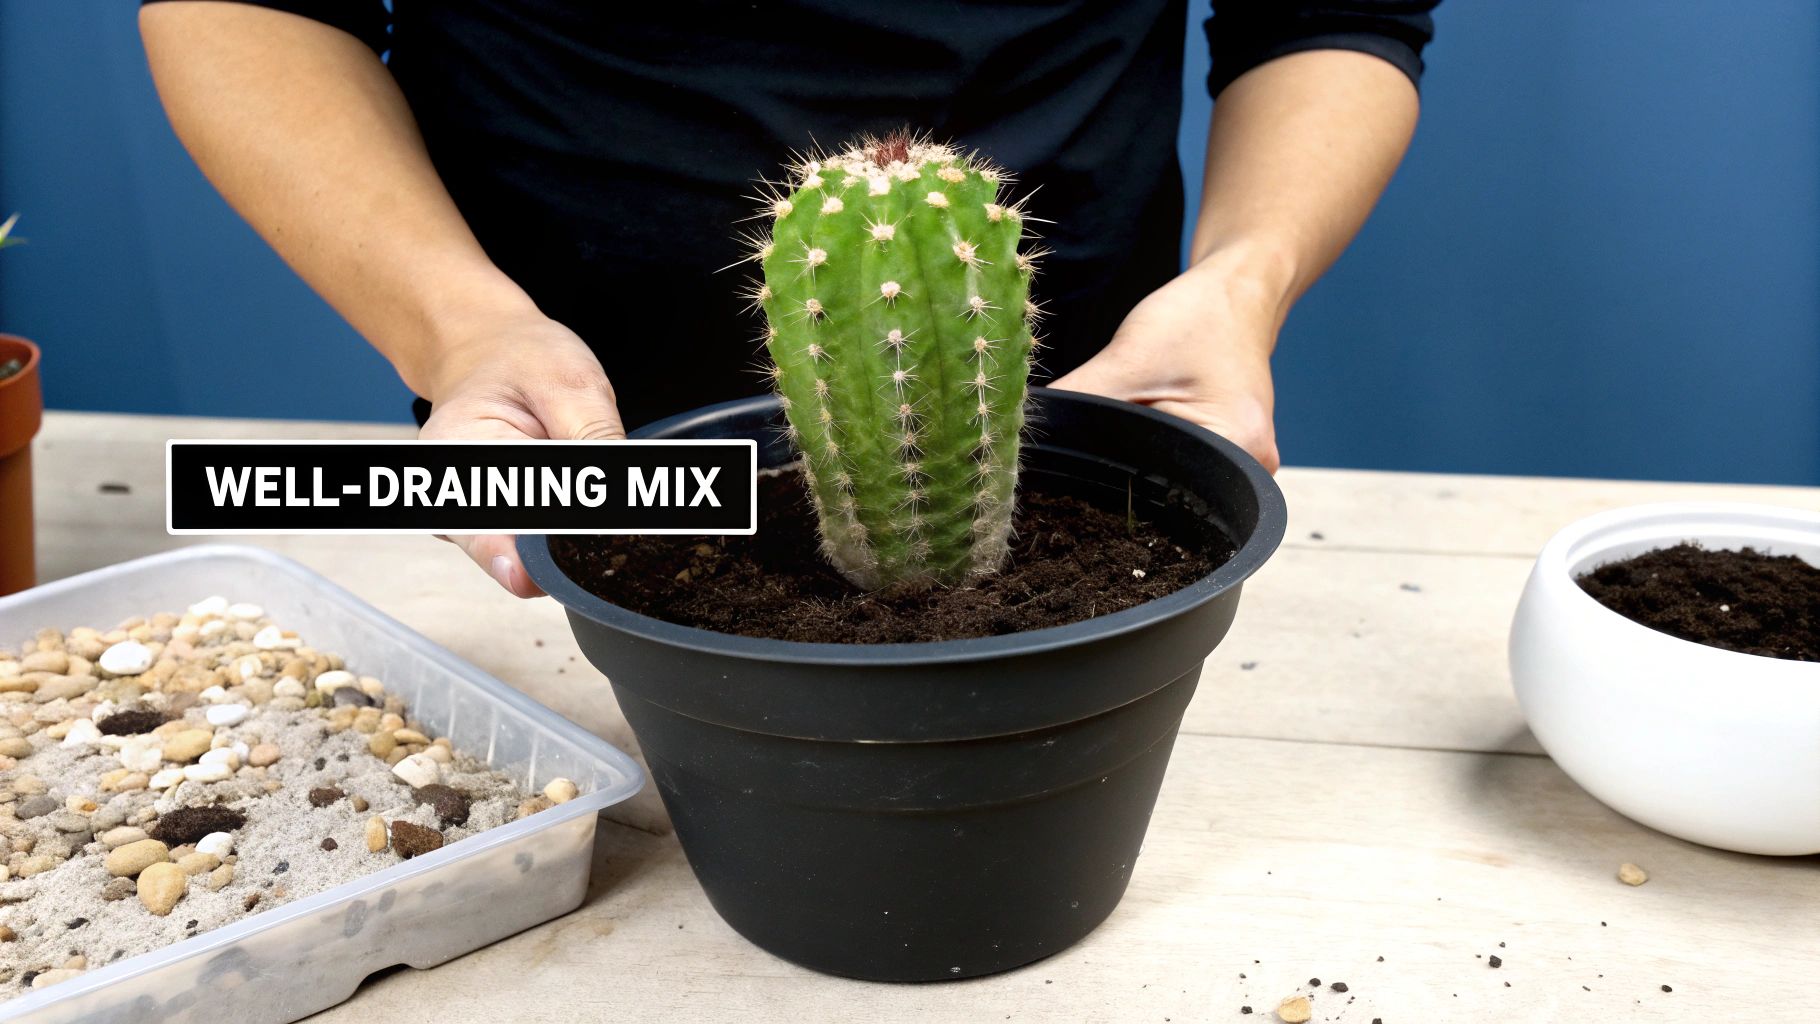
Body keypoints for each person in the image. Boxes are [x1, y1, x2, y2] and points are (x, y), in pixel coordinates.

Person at [140, 0, 1436, 595]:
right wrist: (461, 329)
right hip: (574, 420)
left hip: (1077, 412)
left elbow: (1327, 4)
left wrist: (1238, 283)